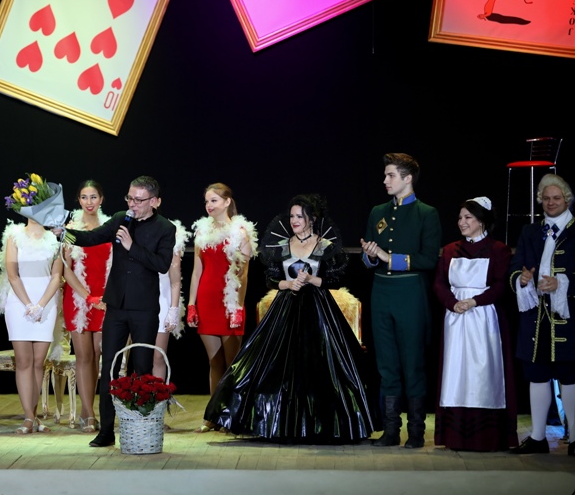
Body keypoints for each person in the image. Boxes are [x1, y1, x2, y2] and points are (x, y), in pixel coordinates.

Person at [204, 194, 377, 443]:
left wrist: (311, 279)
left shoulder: (325, 246)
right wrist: (287, 284)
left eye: (300, 216)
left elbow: (336, 279)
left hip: (318, 311)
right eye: (292, 216)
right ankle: (281, 425)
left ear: (312, 219)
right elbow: (271, 278)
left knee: (321, 366)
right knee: (274, 365)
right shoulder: (283, 246)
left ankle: (322, 425)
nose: (294, 220)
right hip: (286, 309)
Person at [61, 176, 175, 447]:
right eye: (130, 198)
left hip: (144, 308)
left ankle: (140, 427)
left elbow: (162, 264)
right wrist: (63, 233)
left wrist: (131, 247)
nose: (132, 204)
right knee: (110, 366)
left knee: (142, 367)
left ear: (155, 201)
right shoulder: (120, 219)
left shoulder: (165, 228)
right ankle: (106, 431)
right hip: (116, 307)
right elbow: (91, 237)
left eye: (139, 200)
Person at [360, 153, 441, 448]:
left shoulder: (426, 213)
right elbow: (369, 259)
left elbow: (428, 259)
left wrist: (388, 257)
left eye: (391, 175)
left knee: (413, 363)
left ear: (407, 178)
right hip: (381, 292)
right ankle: (391, 430)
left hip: (410, 293)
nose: (385, 180)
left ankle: (416, 431)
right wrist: (371, 256)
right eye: (385, 175)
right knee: (386, 364)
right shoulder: (378, 212)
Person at [433, 197, 518, 451]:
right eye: (460, 218)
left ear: (481, 220)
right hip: (456, 319)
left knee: (484, 372)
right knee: (456, 372)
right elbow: (439, 283)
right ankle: (455, 436)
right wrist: (452, 303)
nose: (462, 222)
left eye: (468, 217)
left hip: (484, 319)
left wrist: (474, 301)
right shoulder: (450, 250)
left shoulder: (498, 250)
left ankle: (487, 437)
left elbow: (501, 285)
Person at [508, 174, 575, 456]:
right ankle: (537, 438)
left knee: (569, 375)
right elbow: (515, 266)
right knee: (537, 374)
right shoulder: (530, 231)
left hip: (568, 317)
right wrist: (521, 279)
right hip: (535, 316)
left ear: (567, 200)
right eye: (546, 198)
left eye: (556, 198)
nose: (551, 203)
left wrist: (562, 283)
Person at [187, 183, 257, 433]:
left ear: (227, 202)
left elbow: (243, 274)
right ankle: (213, 416)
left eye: (214, 200)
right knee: (214, 362)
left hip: (229, 303)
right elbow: (197, 271)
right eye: (207, 201)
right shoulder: (202, 231)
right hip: (207, 300)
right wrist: (192, 304)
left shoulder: (241, 232)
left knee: (232, 364)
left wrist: (238, 305)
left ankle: (232, 417)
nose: (209, 205)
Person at [0, 192, 63, 434]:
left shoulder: (55, 239)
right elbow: (12, 275)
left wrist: (41, 305)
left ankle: (34, 416)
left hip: (46, 303)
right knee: (23, 361)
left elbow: (56, 276)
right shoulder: (14, 236)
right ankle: (28, 417)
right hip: (19, 304)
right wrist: (27, 305)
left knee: (38, 363)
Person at [61, 180, 111, 433]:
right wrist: (87, 296)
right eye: (84, 197)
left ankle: (91, 410)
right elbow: (65, 269)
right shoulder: (71, 230)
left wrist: (105, 297)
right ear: (78, 200)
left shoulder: (111, 226)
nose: (89, 202)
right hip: (78, 299)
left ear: (101, 199)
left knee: (98, 354)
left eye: (93, 197)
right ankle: (88, 413)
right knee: (84, 356)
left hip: (105, 299)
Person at [152, 198, 190, 380]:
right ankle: (139, 396)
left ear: (157, 201)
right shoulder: (131, 229)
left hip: (162, 297)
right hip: (137, 299)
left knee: (158, 356)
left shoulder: (171, 230)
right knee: (140, 355)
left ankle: (157, 396)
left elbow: (175, 278)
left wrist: (174, 309)